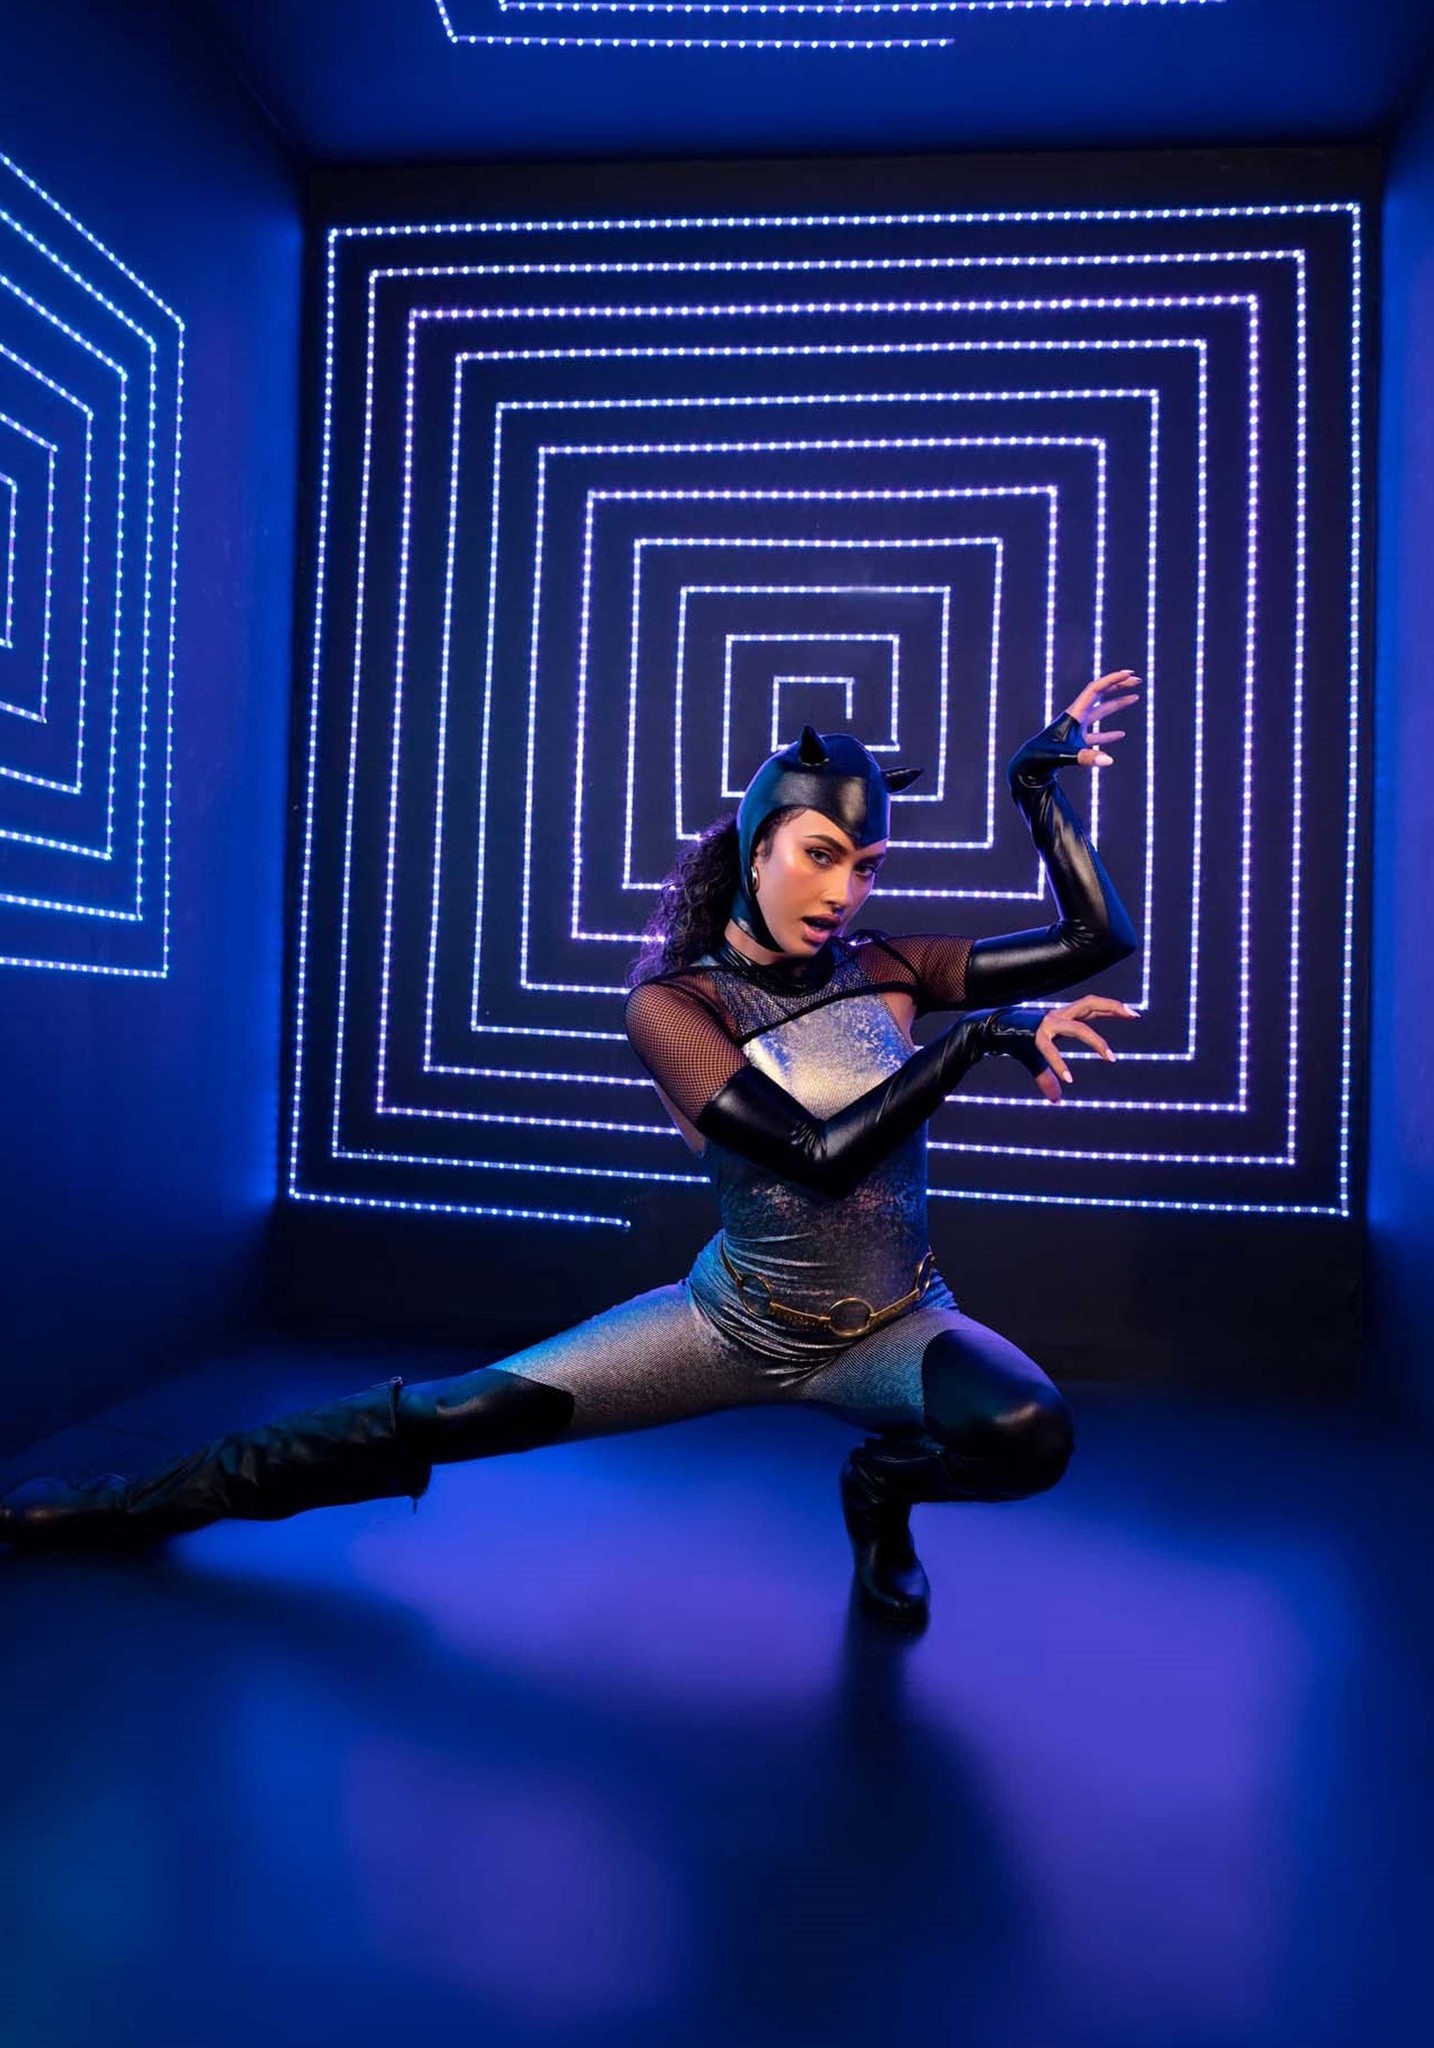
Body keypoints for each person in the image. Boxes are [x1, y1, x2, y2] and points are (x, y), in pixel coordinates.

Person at [0, 673, 1142, 1625]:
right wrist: (972, 1042)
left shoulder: (890, 968)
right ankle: (121, 1505)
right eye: (821, 853)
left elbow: (1098, 937)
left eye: (868, 865)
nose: (844, 890)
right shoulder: (675, 1007)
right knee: (447, 1415)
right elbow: (815, 1156)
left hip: (894, 1322)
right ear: (758, 847)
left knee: (1027, 1434)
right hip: (729, 1326)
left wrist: (1035, 794)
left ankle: (883, 1487)